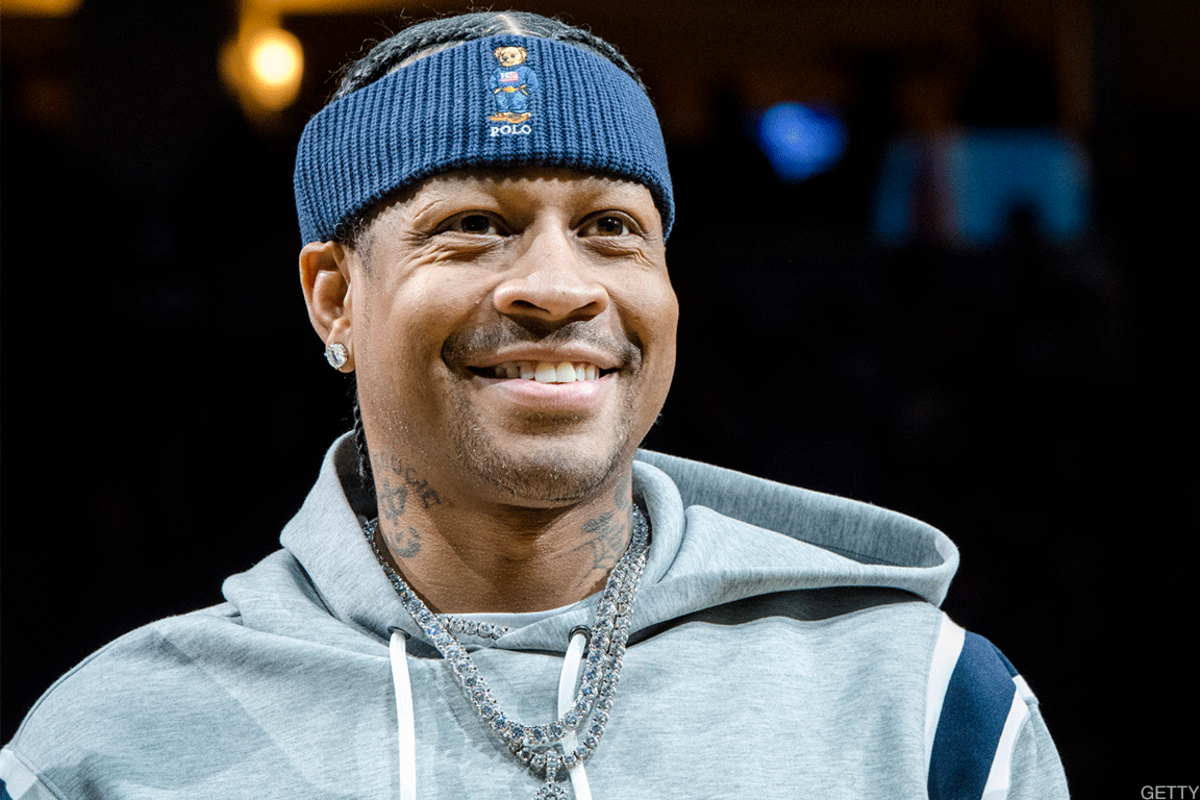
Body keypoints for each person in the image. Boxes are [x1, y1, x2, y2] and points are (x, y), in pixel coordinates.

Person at [0, 11, 1068, 800]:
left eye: (611, 227)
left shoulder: (921, 705)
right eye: (473, 224)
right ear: (334, 297)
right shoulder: (112, 747)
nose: (559, 286)